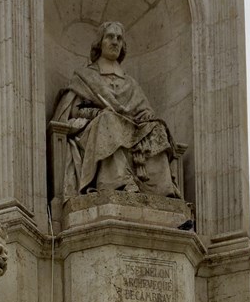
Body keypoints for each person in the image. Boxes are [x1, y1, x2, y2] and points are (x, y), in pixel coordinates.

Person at [51, 21, 182, 201]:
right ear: (100, 42)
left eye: (119, 38)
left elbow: (143, 110)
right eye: (110, 37)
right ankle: (119, 182)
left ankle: (162, 189)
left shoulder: (131, 83)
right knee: (109, 120)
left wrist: (147, 117)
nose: (115, 41)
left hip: (130, 128)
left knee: (157, 128)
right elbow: (74, 110)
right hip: (98, 127)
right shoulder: (85, 77)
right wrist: (96, 113)